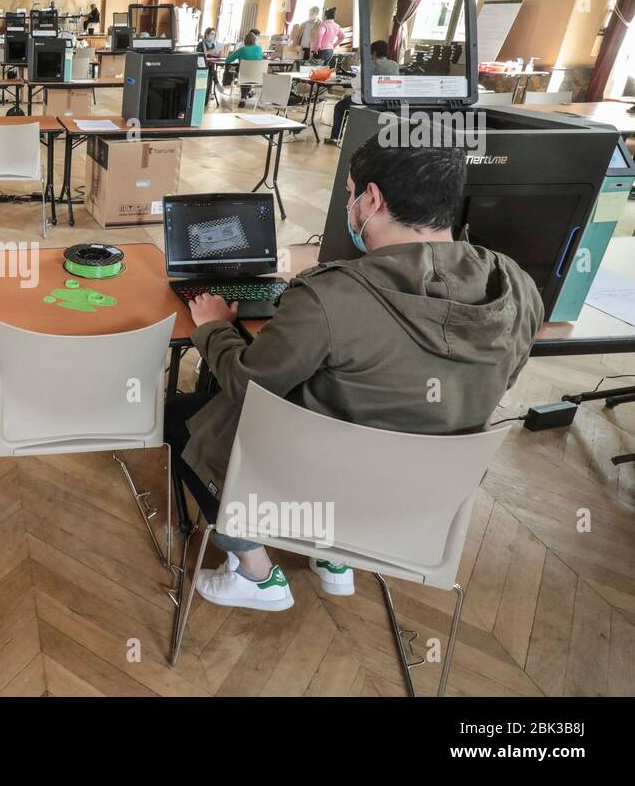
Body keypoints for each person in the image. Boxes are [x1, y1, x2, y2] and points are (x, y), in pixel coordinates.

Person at [166, 136, 542, 611]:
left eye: (349, 192)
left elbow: (246, 383)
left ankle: (255, 573)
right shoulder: (517, 285)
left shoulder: (333, 297)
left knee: (182, 420)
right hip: (413, 502)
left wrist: (215, 328)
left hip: (310, 489)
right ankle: (333, 557)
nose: (349, 203)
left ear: (373, 198)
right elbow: (502, 380)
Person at [326, 39, 399, 145]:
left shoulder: (370, 65)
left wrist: (352, 80)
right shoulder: (394, 65)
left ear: (374, 52)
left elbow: (357, 84)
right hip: (386, 102)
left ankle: (335, 137)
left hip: (366, 102)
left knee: (339, 107)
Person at [223, 30, 265, 107]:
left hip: (244, 73)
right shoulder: (260, 49)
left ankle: (243, 97)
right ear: (255, 40)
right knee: (247, 72)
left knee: (242, 72)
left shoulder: (242, 49)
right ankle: (246, 94)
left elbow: (228, 60)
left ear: (245, 41)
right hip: (257, 75)